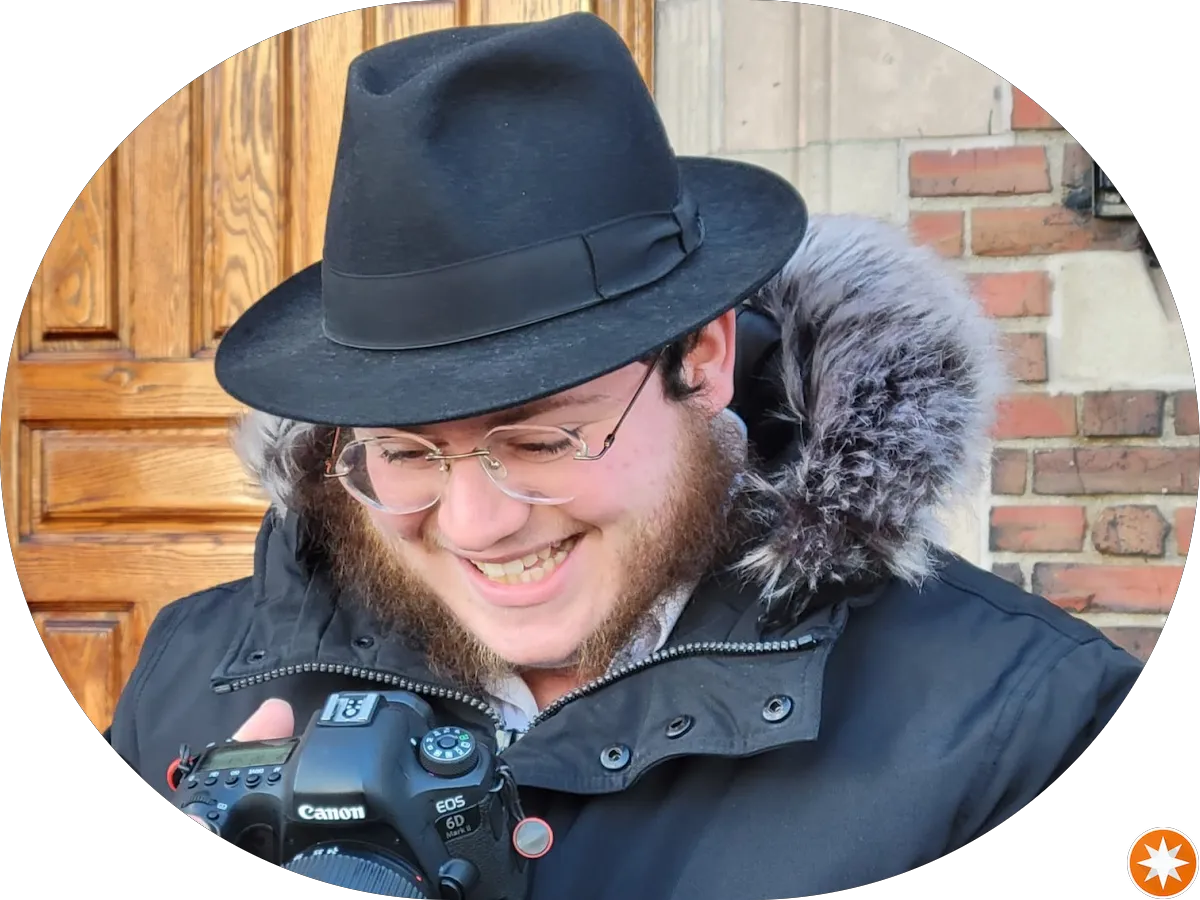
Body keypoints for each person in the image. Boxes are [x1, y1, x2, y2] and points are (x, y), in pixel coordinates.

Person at [104, 13, 1145, 899]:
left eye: (542, 437)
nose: (475, 525)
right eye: (405, 453)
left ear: (704, 359)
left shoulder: (1019, 726)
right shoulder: (196, 673)